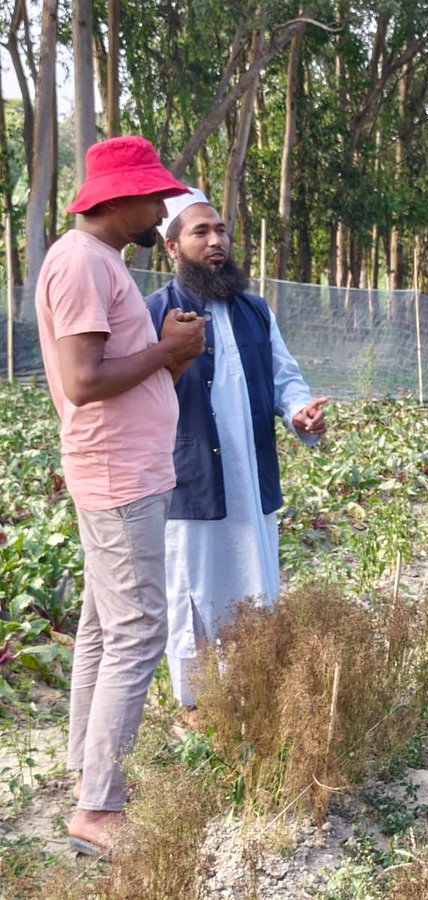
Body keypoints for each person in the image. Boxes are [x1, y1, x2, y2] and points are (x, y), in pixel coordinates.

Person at [35, 136, 206, 855]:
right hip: (118, 477)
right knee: (138, 630)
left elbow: (112, 376)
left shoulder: (96, 260)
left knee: (107, 627)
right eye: (153, 199)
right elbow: (83, 381)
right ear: (119, 197)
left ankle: (86, 768)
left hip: (123, 469)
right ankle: (98, 810)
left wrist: (170, 355)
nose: (161, 212)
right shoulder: (81, 262)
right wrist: (168, 351)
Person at [144, 189, 328, 711]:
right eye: (200, 232)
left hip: (250, 483)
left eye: (220, 230)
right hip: (190, 485)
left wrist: (299, 412)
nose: (216, 240)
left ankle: (252, 696)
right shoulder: (153, 314)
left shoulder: (255, 310)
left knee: (254, 590)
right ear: (172, 246)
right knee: (192, 596)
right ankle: (200, 713)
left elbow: (285, 378)